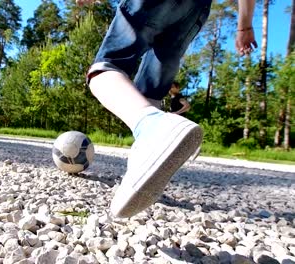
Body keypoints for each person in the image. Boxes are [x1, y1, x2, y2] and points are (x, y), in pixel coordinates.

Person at [76, 0, 257, 218]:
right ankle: (142, 165)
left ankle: (152, 126)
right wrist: (244, 26)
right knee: (151, 90)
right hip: (195, 10)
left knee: (105, 68)